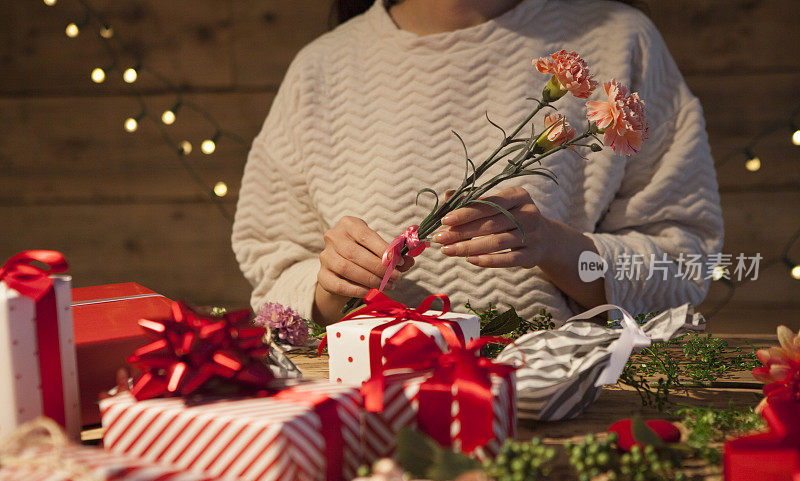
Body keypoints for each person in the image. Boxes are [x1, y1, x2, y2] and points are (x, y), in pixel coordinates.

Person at [232, 0, 723, 326]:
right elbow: (273, 275)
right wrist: (329, 283)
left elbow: (685, 259)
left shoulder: (620, 41)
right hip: (368, 412)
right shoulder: (321, 68)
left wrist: (554, 246)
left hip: (568, 409)